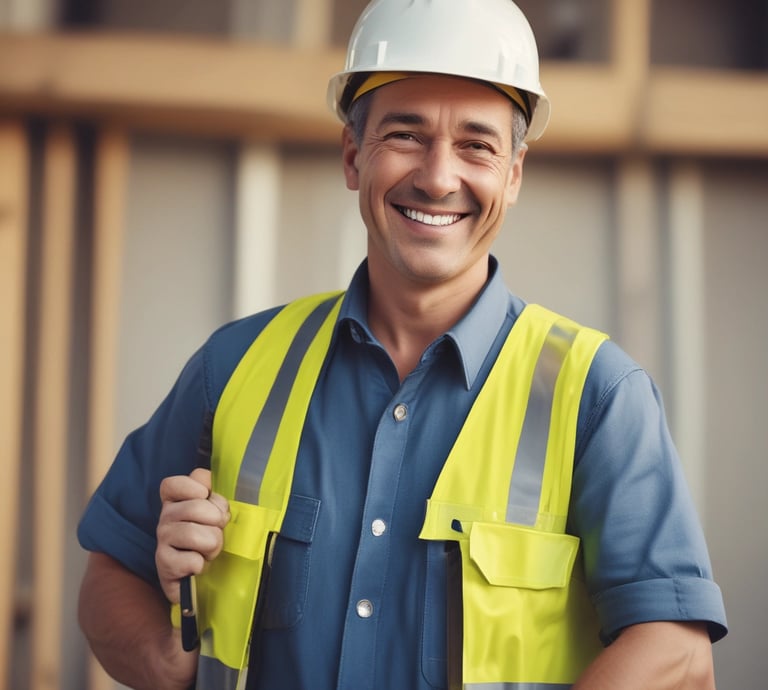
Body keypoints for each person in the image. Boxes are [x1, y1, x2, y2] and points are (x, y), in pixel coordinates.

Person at [77, 0, 727, 688]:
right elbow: (110, 569)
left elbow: (678, 651)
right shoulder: (234, 367)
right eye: (406, 136)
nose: (439, 177)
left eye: (477, 144)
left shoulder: (598, 397)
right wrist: (166, 654)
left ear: (513, 174)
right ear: (354, 156)